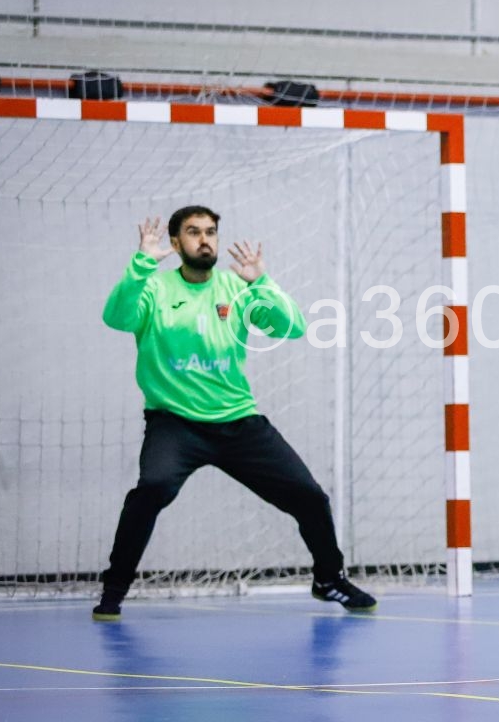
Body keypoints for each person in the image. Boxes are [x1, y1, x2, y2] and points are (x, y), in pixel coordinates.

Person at [92, 206, 376, 620]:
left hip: (238, 422)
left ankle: (329, 579)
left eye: (210, 232)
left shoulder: (236, 288)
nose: (204, 240)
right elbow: (116, 317)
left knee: (310, 498)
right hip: (175, 423)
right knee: (152, 489)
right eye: (193, 232)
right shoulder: (153, 289)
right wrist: (140, 265)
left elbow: (292, 327)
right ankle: (114, 590)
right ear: (176, 243)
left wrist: (261, 282)